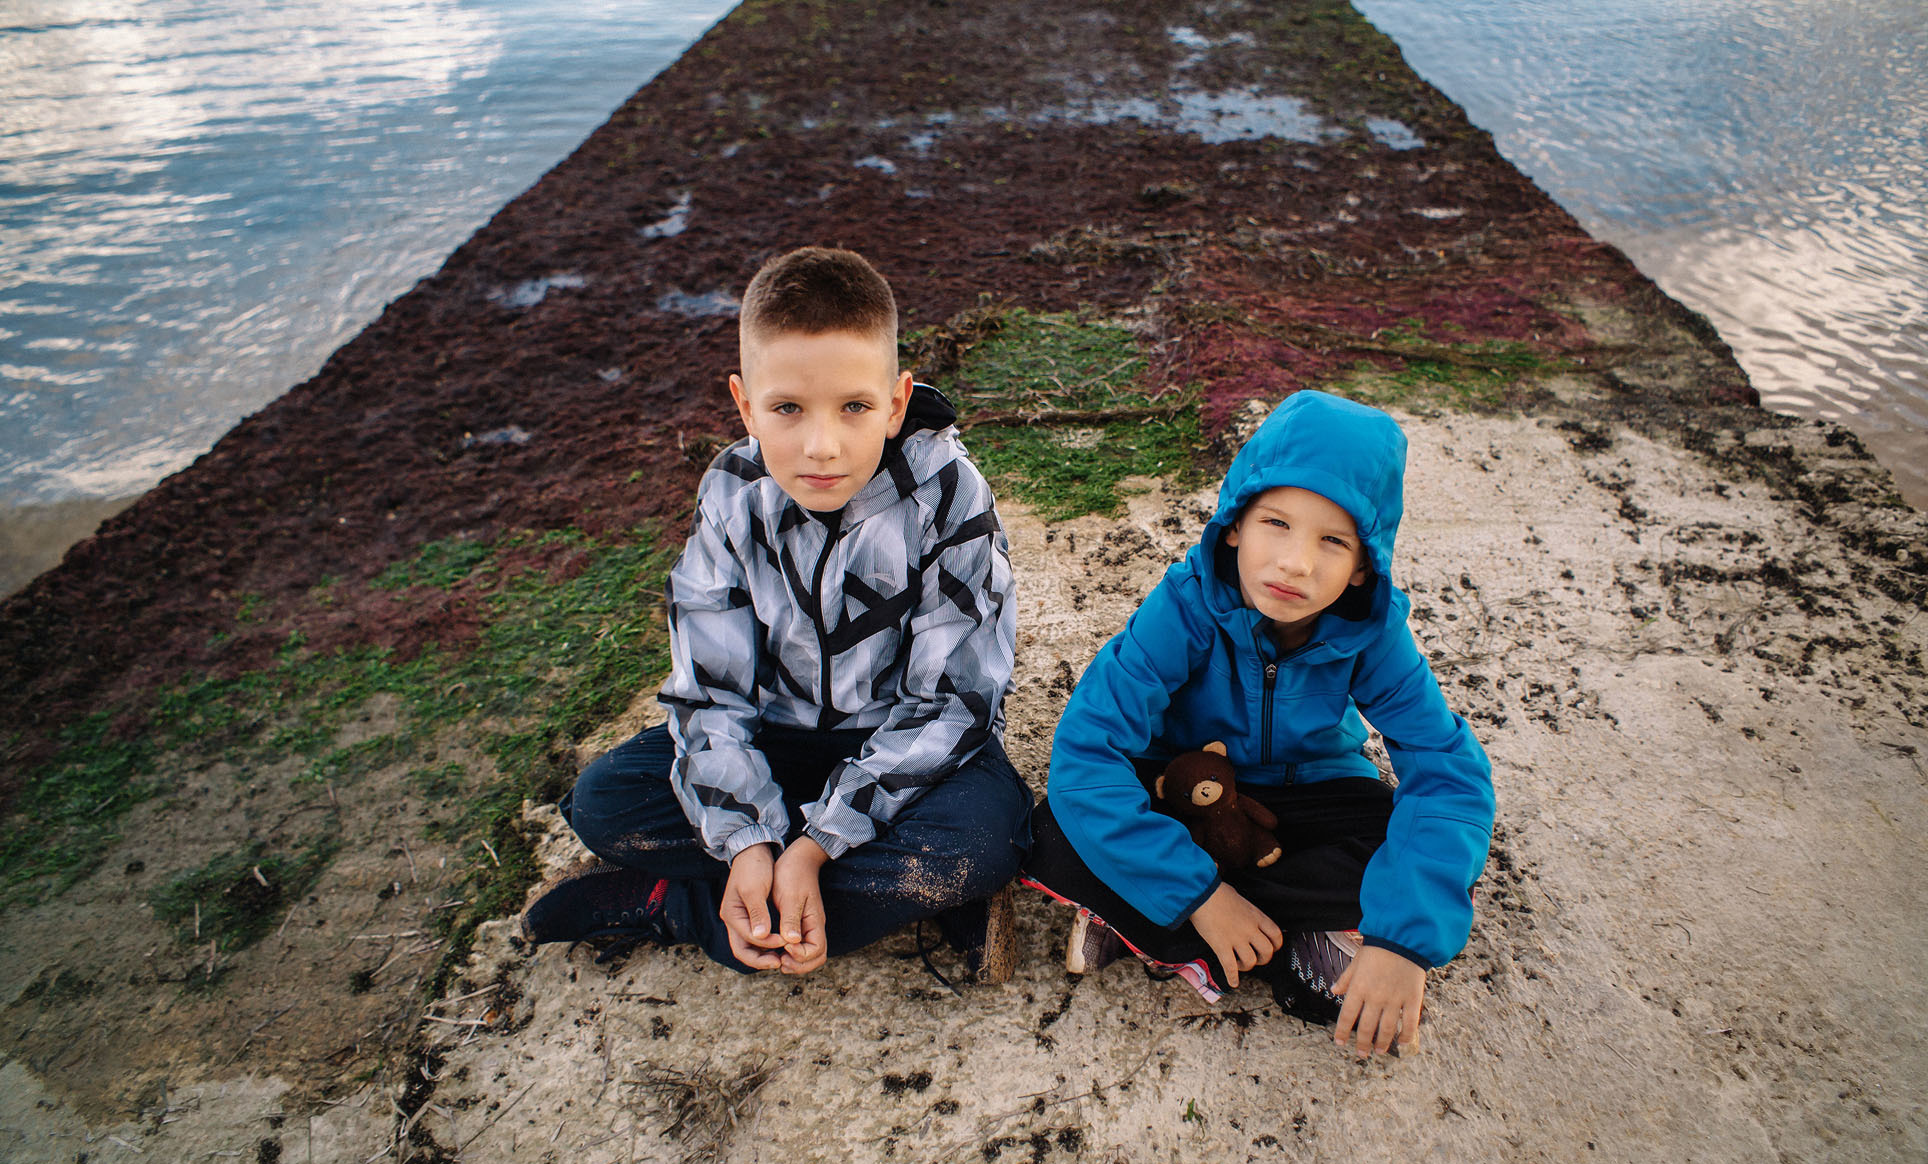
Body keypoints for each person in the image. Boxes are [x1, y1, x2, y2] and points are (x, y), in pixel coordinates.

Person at [525, 246, 1031, 980]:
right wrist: (748, 841)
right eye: (787, 408)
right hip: (779, 741)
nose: (820, 446)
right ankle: (899, 895)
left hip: (912, 754)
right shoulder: (731, 493)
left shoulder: (948, 493)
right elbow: (710, 693)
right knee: (603, 801)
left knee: (986, 838)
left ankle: (676, 906)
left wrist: (814, 844)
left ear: (895, 400)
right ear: (744, 403)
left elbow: (953, 704)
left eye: (854, 406)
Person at [1023, 390, 1494, 1056]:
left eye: (1333, 540)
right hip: (1191, 792)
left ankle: (1140, 920)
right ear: (1236, 523)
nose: (1297, 562)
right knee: (1053, 829)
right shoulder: (1185, 606)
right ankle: (1256, 925)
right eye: (1277, 523)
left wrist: (1403, 942)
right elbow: (1086, 749)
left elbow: (1449, 774)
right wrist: (1202, 894)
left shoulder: (1372, 636)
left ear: (1364, 565)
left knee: (1406, 836)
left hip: (1305, 796)